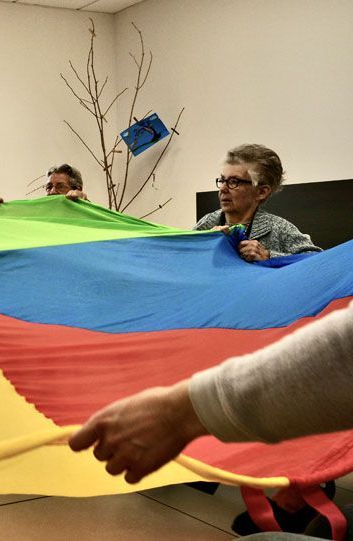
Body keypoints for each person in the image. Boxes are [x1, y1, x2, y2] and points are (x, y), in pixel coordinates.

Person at [69, 300, 353, 536]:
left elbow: (313, 263)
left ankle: (299, 479)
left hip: (261, 329)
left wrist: (176, 416)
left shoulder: (280, 230)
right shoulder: (206, 228)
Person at [194, 144, 320, 262]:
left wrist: (268, 255)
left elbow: (319, 261)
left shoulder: (279, 228)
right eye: (222, 180)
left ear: (261, 192)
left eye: (233, 181)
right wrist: (207, 244)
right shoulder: (206, 224)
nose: (222, 189)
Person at [0, 163, 88, 206]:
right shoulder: (38, 212)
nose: (52, 191)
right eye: (49, 187)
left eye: (60, 186)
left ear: (77, 189)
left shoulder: (88, 214)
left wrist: (84, 202)